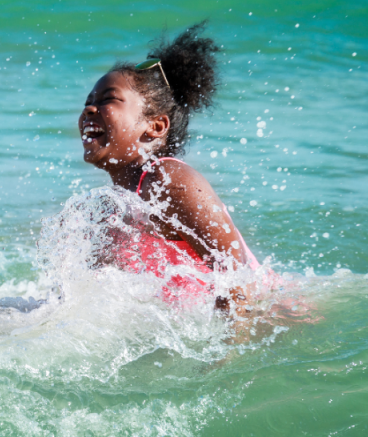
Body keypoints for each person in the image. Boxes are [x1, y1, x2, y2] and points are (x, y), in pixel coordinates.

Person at [78, 22, 258, 311]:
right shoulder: (111, 208)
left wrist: (227, 356)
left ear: (156, 126)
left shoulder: (170, 183)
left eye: (108, 100)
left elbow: (238, 281)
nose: (88, 109)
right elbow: (82, 303)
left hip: (275, 319)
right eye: (88, 102)